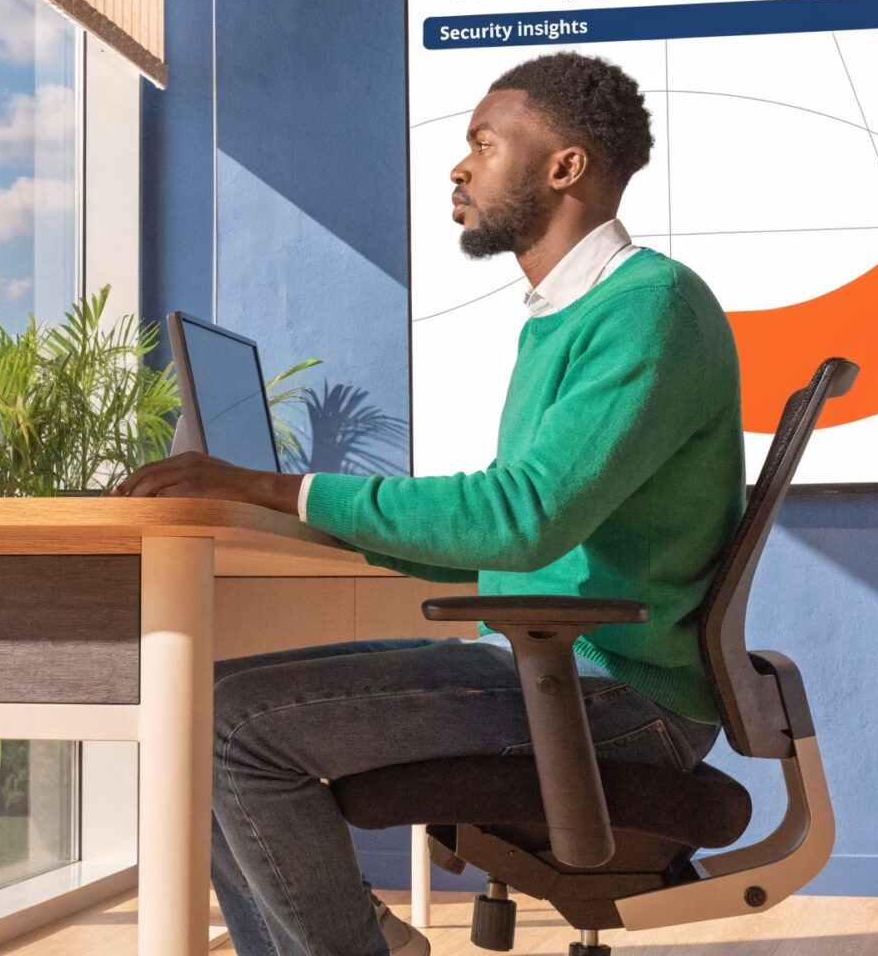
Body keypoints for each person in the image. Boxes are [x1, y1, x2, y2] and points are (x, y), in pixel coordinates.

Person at [115, 51, 745, 956]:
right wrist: (304, 511)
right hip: (571, 671)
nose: (459, 166)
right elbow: (519, 529)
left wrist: (280, 488)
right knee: (209, 703)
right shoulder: (569, 314)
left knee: (229, 727)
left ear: (564, 167)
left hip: (619, 697)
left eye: (484, 143)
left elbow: (521, 518)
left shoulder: (650, 309)